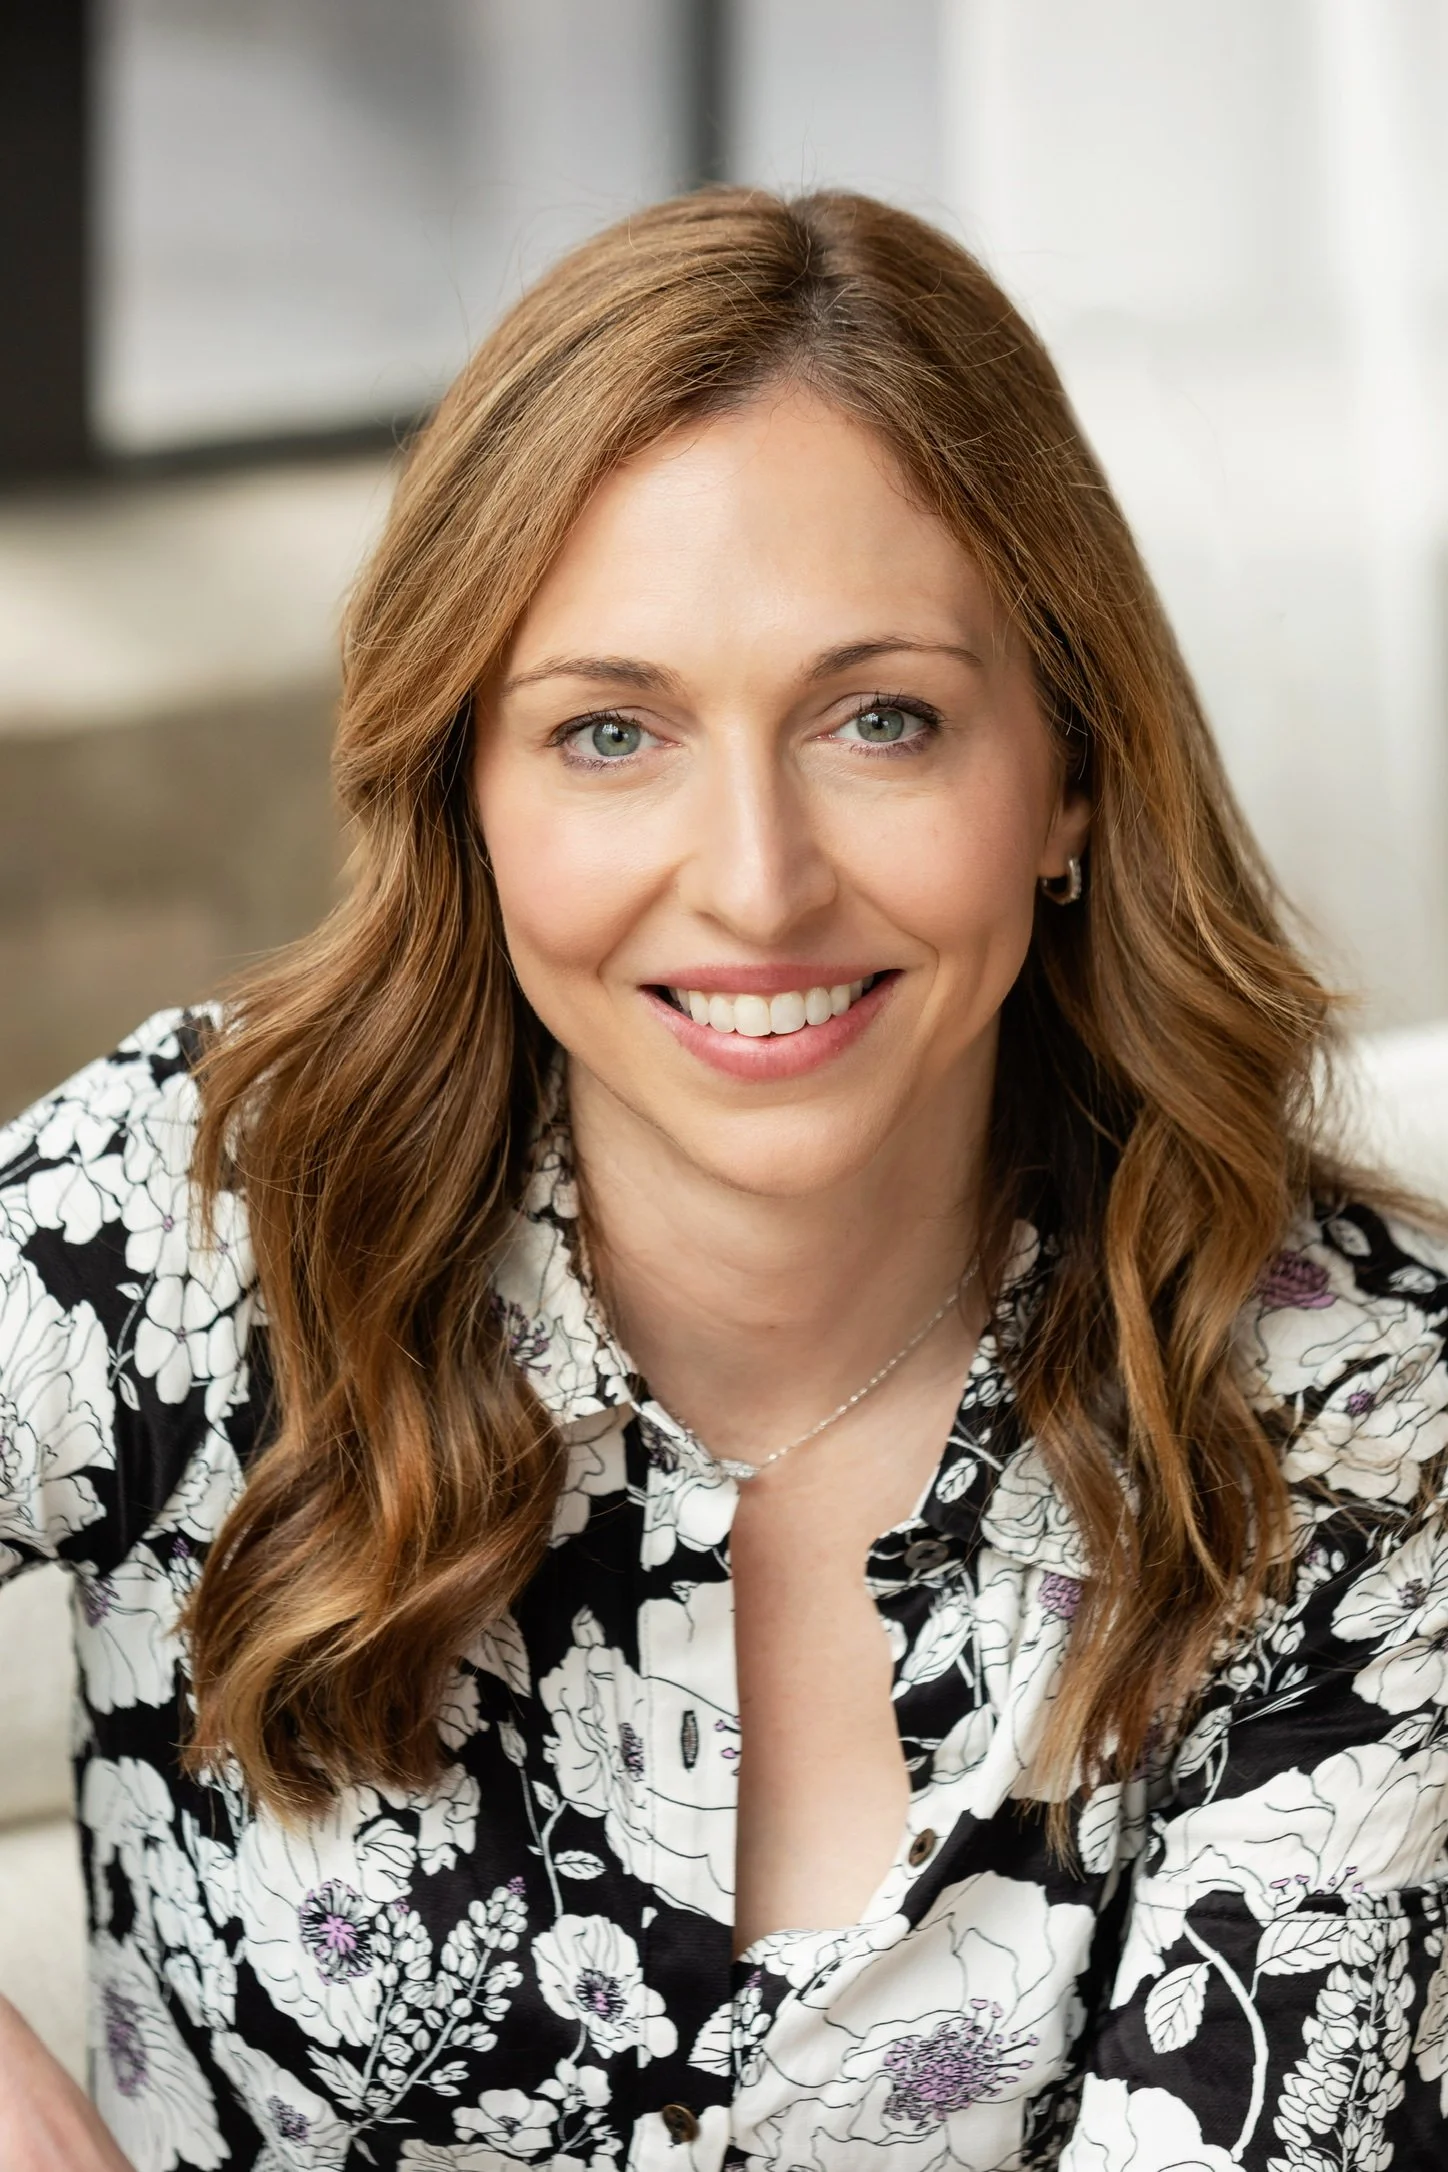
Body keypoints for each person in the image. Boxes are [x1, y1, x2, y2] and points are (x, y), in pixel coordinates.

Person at [1, 186, 1446, 2172]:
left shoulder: (1362, 1448)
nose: (755, 880)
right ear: (466, 794)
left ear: (1072, 776)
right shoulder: (188, 1218)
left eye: (881, 721)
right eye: (611, 731)